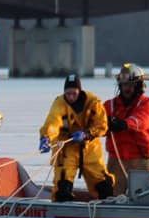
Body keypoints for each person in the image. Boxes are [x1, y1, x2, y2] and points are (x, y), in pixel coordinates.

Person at [39, 74, 114, 202]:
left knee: (103, 183)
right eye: (68, 94)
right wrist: (46, 137)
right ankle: (63, 210)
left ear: (80, 91)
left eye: (74, 93)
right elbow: (53, 122)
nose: (71, 97)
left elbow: (102, 125)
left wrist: (87, 134)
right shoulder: (59, 103)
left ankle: (108, 208)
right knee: (62, 185)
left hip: (90, 148)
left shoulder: (93, 103)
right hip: (66, 148)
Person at [104, 63, 149, 196]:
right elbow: (96, 124)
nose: (127, 88)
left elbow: (143, 120)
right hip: (116, 161)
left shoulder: (145, 103)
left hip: (140, 160)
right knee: (112, 197)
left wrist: (124, 124)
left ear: (139, 86)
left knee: (147, 197)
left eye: (131, 85)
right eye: (125, 84)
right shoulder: (109, 106)